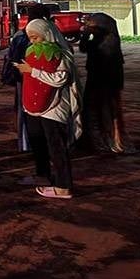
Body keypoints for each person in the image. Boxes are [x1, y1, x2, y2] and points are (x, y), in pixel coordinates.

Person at [15, 19, 83, 199]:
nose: (33, 42)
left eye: (36, 37)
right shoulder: (32, 52)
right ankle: (42, 176)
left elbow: (61, 78)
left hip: (55, 107)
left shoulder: (61, 53)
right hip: (33, 107)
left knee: (57, 148)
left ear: (46, 33)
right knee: (38, 144)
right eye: (30, 38)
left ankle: (63, 186)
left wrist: (32, 71)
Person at [79, 12, 133, 154]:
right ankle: (97, 141)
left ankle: (110, 142)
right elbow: (83, 48)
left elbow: (89, 49)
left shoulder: (109, 41)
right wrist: (85, 34)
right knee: (93, 111)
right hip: (97, 79)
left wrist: (87, 33)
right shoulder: (100, 39)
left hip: (106, 81)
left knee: (106, 112)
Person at [3, 4, 50, 156]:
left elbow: (12, 57)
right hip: (42, 77)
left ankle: (25, 143)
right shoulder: (48, 35)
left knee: (24, 110)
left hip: (23, 78)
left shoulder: (19, 35)